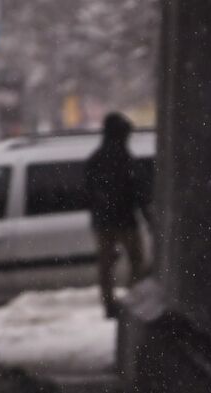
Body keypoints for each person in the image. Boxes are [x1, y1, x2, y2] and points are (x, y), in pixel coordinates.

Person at [84, 112, 151, 318]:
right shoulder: (125, 158)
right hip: (125, 220)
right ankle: (134, 300)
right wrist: (148, 218)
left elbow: (87, 193)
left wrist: (99, 211)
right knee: (136, 262)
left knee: (106, 267)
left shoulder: (95, 160)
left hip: (104, 222)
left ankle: (109, 305)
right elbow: (139, 192)